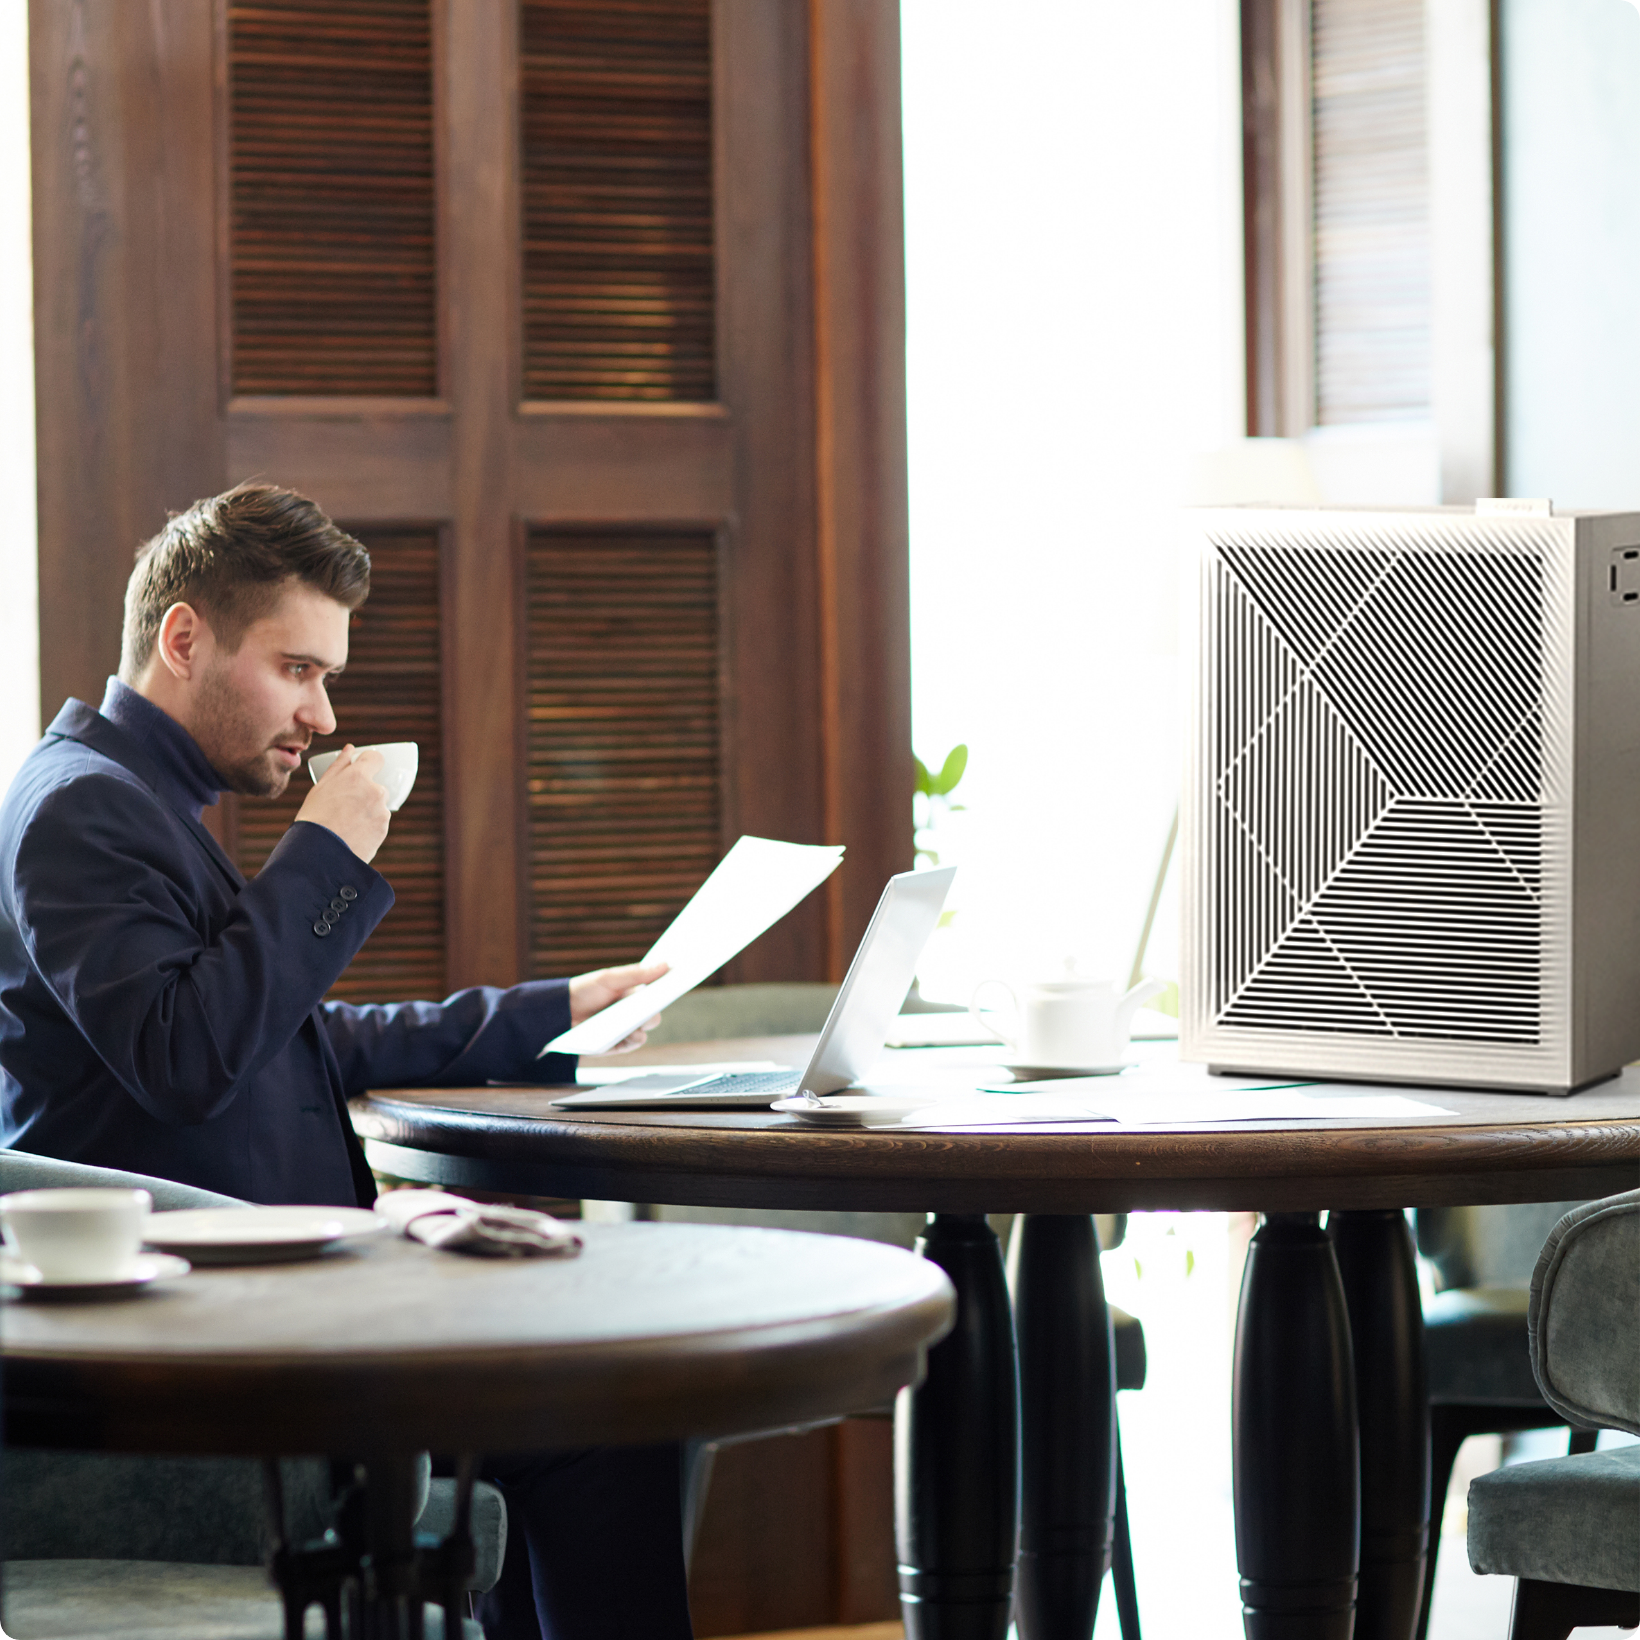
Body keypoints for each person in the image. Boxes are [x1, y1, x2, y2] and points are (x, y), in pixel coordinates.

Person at [0, 483, 693, 1639]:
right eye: (299, 668)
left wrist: (552, 1012)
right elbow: (189, 1056)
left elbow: (290, 1032)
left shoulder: (139, 805)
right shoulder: (81, 809)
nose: (322, 714)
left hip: (266, 1305)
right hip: (199, 1336)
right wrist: (327, 847)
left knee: (595, 1388)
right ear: (184, 637)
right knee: (607, 1403)